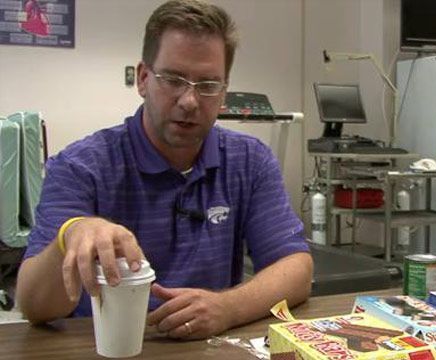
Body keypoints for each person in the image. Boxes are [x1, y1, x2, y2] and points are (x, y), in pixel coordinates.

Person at [16, 0, 313, 340]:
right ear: (143, 78)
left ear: (223, 91)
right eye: (173, 79)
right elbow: (33, 306)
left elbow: (296, 268)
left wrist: (227, 307)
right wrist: (71, 234)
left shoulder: (250, 161)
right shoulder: (80, 166)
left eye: (208, 85)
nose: (189, 101)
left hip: (209, 346)